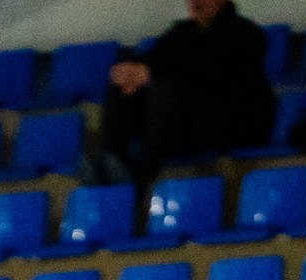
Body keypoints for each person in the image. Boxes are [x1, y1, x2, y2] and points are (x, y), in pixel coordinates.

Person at [101, 0, 276, 186]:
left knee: (166, 91)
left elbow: (209, 70)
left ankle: (142, 176)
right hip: (186, 126)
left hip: (228, 126)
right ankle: (112, 161)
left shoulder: (247, 34)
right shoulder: (183, 33)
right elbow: (157, 57)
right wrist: (131, 72)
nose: (195, 2)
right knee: (123, 85)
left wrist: (150, 73)